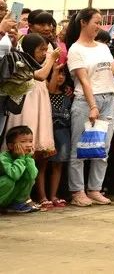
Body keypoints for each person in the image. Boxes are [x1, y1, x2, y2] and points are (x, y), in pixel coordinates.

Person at [65, 8, 114, 207]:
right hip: (86, 101)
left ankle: (94, 189)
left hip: (109, 99)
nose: (99, 27)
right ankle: (77, 191)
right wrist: (93, 106)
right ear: (83, 22)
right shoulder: (75, 49)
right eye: (96, 22)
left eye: (101, 23)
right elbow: (84, 80)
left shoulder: (102, 47)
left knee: (102, 148)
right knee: (79, 148)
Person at [1, 33, 58, 209]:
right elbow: (40, 75)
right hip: (26, 107)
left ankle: (33, 196)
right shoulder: (20, 60)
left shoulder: (40, 63)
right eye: (41, 49)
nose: (44, 53)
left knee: (37, 154)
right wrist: (52, 58)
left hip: (40, 104)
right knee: (22, 145)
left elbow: (49, 84)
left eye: (45, 50)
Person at [47, 62, 72, 208]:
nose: (60, 77)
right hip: (48, 130)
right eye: (57, 73)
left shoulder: (68, 93)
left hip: (63, 132)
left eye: (63, 74)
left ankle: (53, 195)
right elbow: (50, 89)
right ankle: (43, 196)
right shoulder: (45, 91)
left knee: (59, 164)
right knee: (42, 164)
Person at [0, 126, 39, 213]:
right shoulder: (3, 158)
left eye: (30, 141)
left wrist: (28, 158)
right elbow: (14, 175)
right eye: (23, 142)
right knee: (8, 181)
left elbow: (32, 175)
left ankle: (16, 204)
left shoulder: (25, 157)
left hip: (7, 198)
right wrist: (21, 158)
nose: (29, 144)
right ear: (10, 146)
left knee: (29, 178)